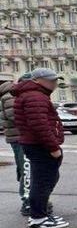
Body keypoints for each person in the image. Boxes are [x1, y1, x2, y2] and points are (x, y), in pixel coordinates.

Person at [12, 68, 67, 228]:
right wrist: (53, 148)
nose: (55, 83)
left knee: (44, 180)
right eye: (51, 80)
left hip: (35, 145)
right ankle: (38, 218)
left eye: (56, 80)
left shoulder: (34, 95)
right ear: (36, 80)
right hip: (40, 146)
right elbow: (40, 126)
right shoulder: (35, 97)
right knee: (43, 182)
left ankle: (41, 215)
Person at [1, 73, 33, 216]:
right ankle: (27, 202)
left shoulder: (15, 95)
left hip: (21, 138)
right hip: (20, 138)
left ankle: (32, 200)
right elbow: (17, 117)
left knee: (26, 169)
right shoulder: (10, 97)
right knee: (26, 170)